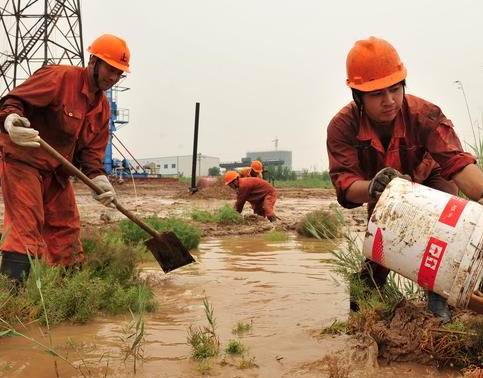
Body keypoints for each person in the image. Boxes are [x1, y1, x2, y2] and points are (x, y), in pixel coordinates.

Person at [326, 36, 483, 322]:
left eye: (395, 89)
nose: (389, 101)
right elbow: (345, 186)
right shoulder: (342, 127)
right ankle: (364, 296)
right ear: (358, 96)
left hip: (430, 175)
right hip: (382, 190)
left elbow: (459, 167)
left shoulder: (426, 115)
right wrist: (373, 187)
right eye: (377, 95)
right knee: (380, 256)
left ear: (403, 85)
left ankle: (438, 301)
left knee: (447, 231)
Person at [0, 34, 131, 285]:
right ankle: (11, 300)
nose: (113, 78)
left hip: (57, 173)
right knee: (26, 226)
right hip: (24, 161)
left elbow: (91, 155)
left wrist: (99, 179)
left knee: (67, 230)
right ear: (93, 61)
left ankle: (68, 294)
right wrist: (11, 121)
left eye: (119, 74)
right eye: (110, 70)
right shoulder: (59, 78)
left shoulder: (101, 109)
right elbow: (14, 100)